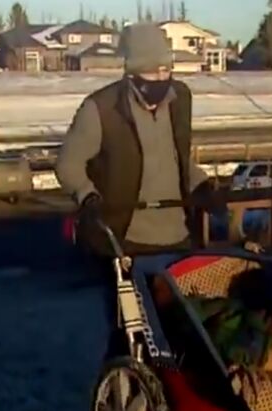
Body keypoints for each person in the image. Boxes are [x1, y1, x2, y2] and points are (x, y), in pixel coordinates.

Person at [56, 22, 214, 358]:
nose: (161, 79)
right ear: (132, 73)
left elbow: (177, 157)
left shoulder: (180, 100)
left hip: (176, 237)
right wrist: (87, 195)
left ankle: (172, 389)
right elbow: (68, 164)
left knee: (184, 332)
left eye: (166, 70)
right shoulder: (101, 109)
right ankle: (123, 384)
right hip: (124, 239)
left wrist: (202, 184)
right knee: (131, 336)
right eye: (152, 72)